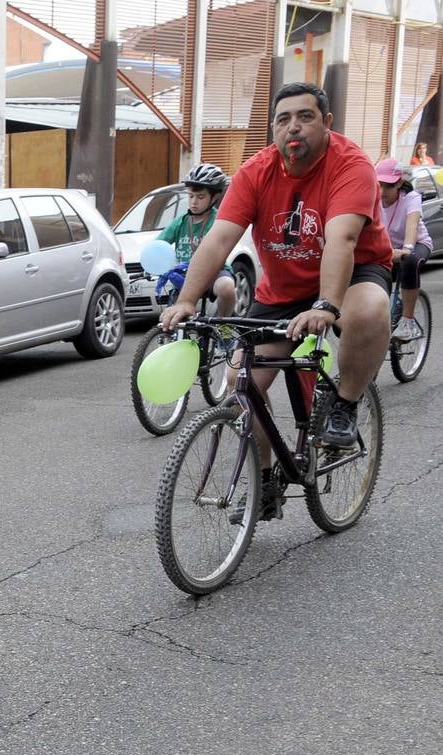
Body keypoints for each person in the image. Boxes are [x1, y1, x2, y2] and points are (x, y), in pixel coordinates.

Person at [161, 82, 391, 520]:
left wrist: (326, 305)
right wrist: (188, 299)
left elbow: (341, 240)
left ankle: (344, 402)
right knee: (240, 382)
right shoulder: (257, 171)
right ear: (273, 129)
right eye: (283, 119)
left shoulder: (350, 164)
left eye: (305, 117)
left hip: (352, 272)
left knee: (369, 309)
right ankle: (266, 480)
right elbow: (220, 239)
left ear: (326, 123)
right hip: (283, 290)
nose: (293, 128)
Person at [156, 163, 238, 316]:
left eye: (200, 197)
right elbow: (158, 245)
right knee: (172, 315)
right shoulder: (181, 221)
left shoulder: (219, 220)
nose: (194, 202)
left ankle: (224, 325)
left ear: (214, 197)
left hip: (215, 273)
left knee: (227, 287)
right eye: (191, 196)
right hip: (184, 274)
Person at [376, 158, 432, 340]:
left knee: (411, 262)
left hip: (417, 244)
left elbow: (412, 224)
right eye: (379, 185)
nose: (383, 191)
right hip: (389, 249)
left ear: (399, 183)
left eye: (389, 186)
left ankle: (408, 322)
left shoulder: (411, 198)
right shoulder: (372, 198)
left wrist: (407, 248)